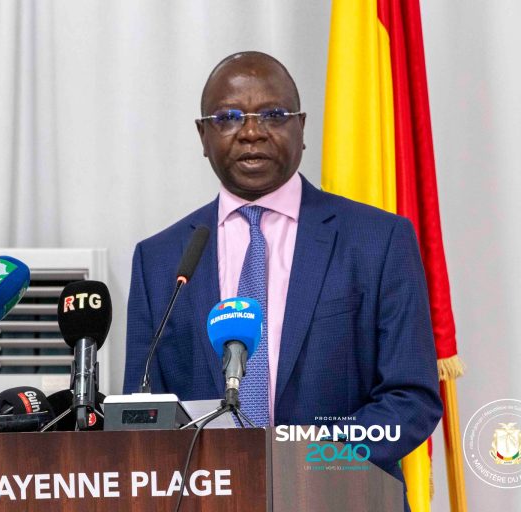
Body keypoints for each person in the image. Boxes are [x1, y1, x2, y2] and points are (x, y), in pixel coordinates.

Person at [123, 51, 442, 497]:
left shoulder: (378, 239)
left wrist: (309, 463)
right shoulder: (159, 260)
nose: (252, 132)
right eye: (228, 117)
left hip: (343, 498)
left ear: (302, 128)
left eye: (273, 115)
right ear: (203, 135)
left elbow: (410, 399)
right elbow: (142, 413)